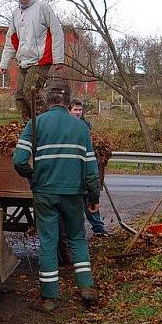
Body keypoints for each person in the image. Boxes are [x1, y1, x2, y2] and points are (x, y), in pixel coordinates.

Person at [13, 80, 99, 312]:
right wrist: (93, 197)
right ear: (68, 102)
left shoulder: (36, 124)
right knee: (77, 238)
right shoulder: (81, 128)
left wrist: (33, 177)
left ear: (48, 100)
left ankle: (49, 297)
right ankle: (86, 288)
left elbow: (19, 160)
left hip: (45, 193)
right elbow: (91, 169)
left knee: (48, 241)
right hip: (73, 193)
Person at [0, 0, 64, 120]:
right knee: (20, 97)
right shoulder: (16, 13)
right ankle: (30, 129)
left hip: (40, 60)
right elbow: (11, 38)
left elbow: (57, 31)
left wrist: (59, 58)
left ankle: (49, 122)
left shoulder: (42, 7)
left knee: (30, 91)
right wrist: (4, 63)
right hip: (23, 60)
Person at [69, 98, 108, 237]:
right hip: (72, 168)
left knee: (89, 197)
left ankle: (98, 228)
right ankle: (75, 231)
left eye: (80, 110)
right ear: (69, 110)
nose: (78, 112)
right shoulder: (66, 125)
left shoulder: (86, 125)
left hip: (85, 167)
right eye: (75, 110)